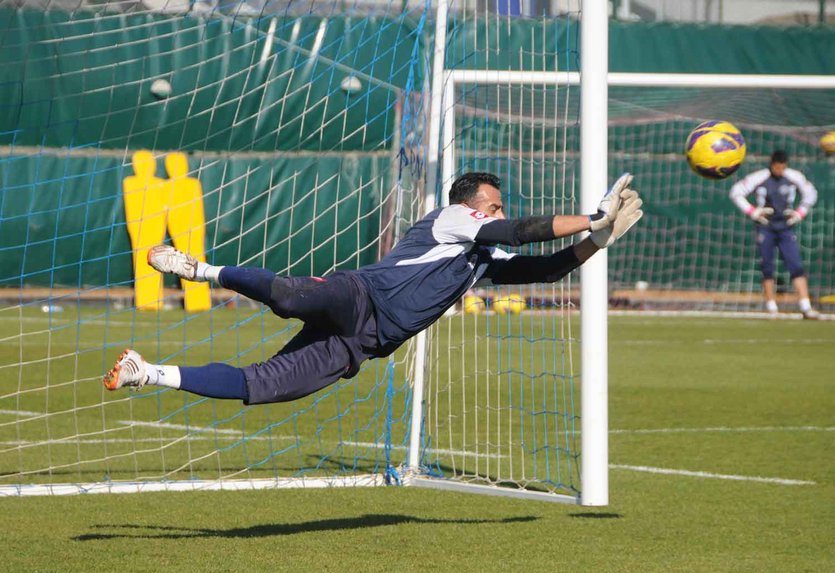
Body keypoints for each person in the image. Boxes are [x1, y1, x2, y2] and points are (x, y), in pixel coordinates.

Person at [104, 172, 643, 404]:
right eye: (493, 204)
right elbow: (517, 231)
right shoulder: (452, 219)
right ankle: (201, 269)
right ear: (470, 205)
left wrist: (599, 239)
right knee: (287, 296)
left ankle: (147, 372)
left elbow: (545, 271)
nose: (500, 212)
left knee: (263, 386)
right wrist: (592, 216)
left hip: (363, 342)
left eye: (500, 206)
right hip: (359, 294)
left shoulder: (482, 260)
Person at [729, 150, 820, 320]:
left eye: (782, 167)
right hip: (765, 226)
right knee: (767, 267)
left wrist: (800, 213)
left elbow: (811, 194)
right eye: (777, 167)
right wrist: (753, 212)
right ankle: (772, 307)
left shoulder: (794, 177)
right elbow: (735, 192)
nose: (779, 171)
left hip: (786, 227)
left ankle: (805, 306)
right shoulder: (759, 177)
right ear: (772, 165)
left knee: (796, 265)